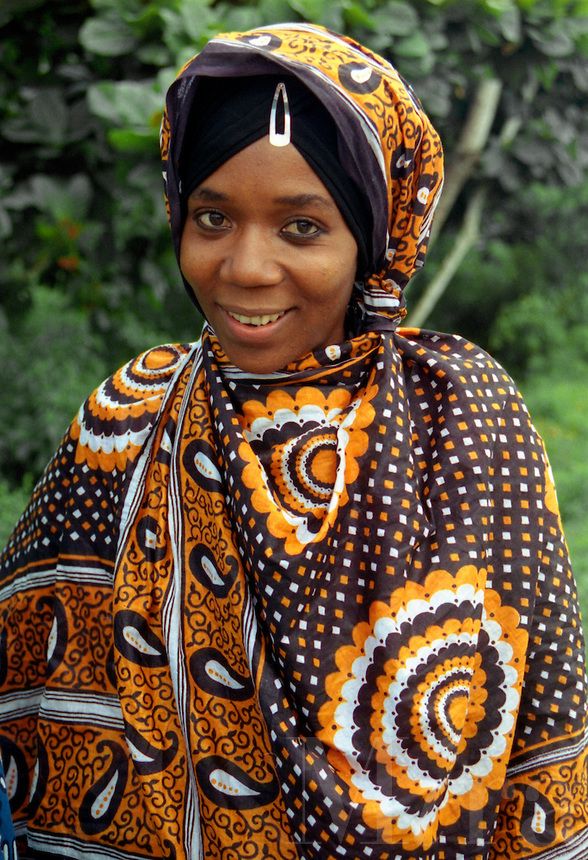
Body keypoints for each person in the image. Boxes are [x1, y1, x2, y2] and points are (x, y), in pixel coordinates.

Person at [0, 21, 586, 860]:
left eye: (301, 227)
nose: (244, 267)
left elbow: (542, 711)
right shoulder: (127, 420)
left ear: (374, 234)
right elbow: (33, 698)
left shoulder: (465, 415)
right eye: (212, 216)